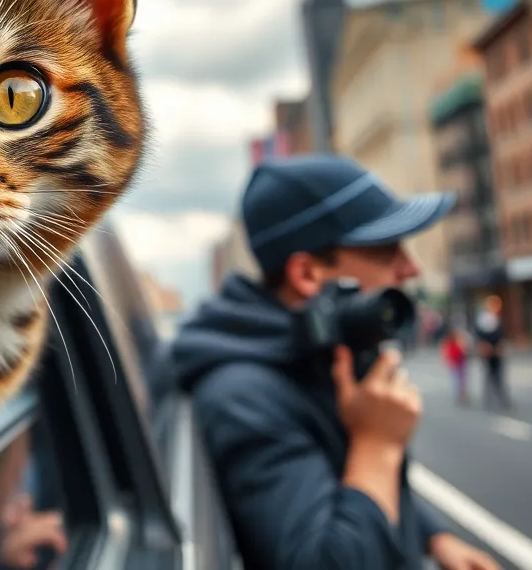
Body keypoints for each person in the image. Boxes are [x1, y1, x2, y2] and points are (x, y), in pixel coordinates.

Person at [162, 154, 498, 569]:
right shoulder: (242, 395)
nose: (411, 268)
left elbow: (341, 478)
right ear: (306, 273)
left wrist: (434, 537)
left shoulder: (318, 348)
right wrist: (377, 444)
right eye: (386, 250)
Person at [473, 296, 512, 411]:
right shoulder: (483, 318)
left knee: (499, 375)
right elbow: (479, 335)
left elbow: (501, 334)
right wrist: (484, 346)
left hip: (497, 351)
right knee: (488, 375)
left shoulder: (497, 318)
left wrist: (501, 345)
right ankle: (489, 398)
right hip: (487, 351)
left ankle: (502, 397)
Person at [440, 327, 469, 406]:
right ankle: (458, 394)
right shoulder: (448, 344)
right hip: (454, 362)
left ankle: (462, 393)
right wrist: (447, 361)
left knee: (461, 378)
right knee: (455, 379)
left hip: (460, 362)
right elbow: (445, 354)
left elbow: (463, 352)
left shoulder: (458, 342)